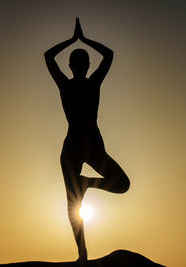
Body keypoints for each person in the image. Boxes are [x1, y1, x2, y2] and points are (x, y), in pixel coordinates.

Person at [44, 18, 130, 262]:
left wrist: (73, 40)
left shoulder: (81, 84)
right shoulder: (84, 84)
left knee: (114, 187)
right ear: (80, 65)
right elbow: (109, 54)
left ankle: (86, 184)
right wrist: (82, 40)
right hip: (83, 143)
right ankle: (82, 254)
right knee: (76, 201)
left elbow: (48, 57)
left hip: (85, 144)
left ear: (71, 65)